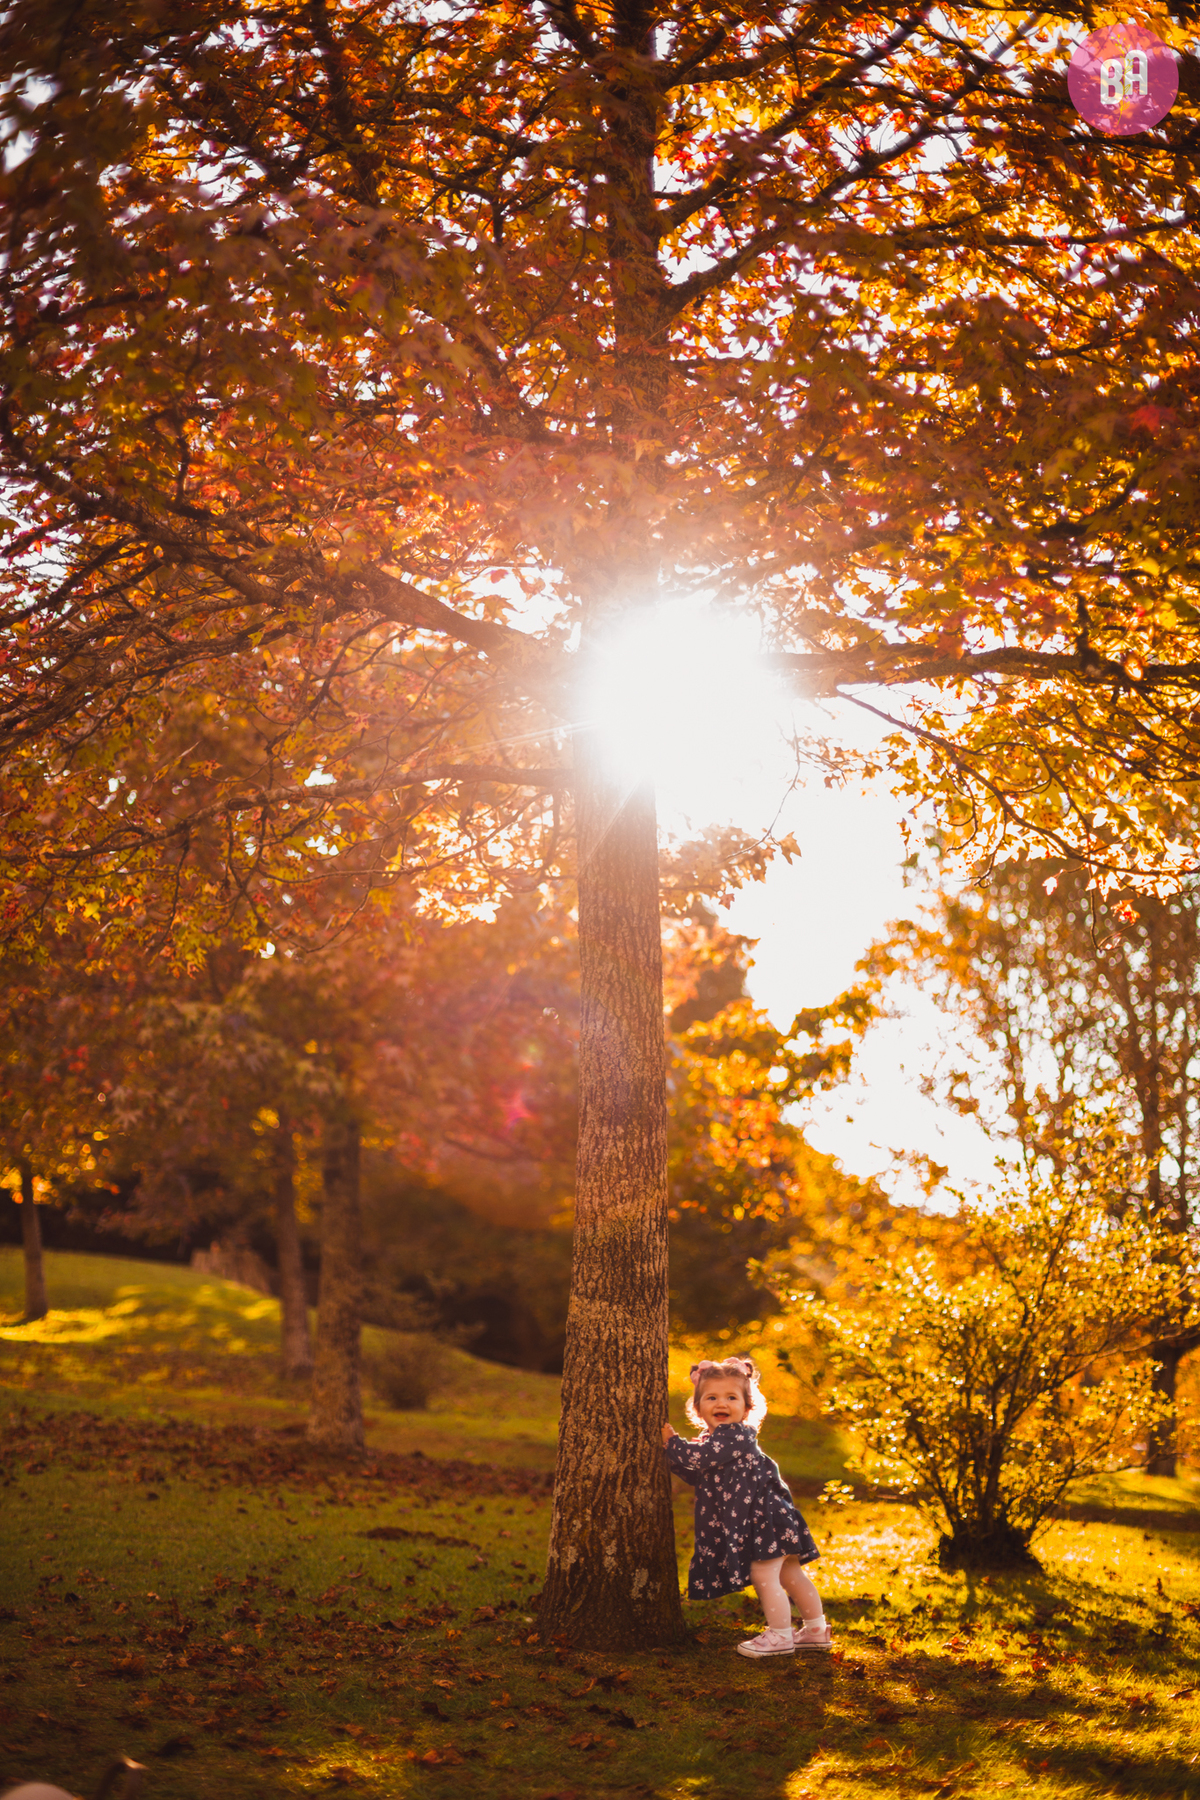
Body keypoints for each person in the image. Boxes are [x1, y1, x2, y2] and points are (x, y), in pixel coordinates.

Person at [662, 1354, 832, 1659]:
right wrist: (675, 1459)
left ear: (747, 1407)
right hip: (773, 1518)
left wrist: (672, 1444)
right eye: (711, 1397)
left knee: (764, 1576)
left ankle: (780, 1636)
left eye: (731, 1397)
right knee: (790, 1575)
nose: (721, 1404)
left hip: (764, 1520)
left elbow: (699, 1459)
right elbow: (700, 1472)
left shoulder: (735, 1436)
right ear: (698, 1408)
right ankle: (816, 1629)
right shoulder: (713, 1442)